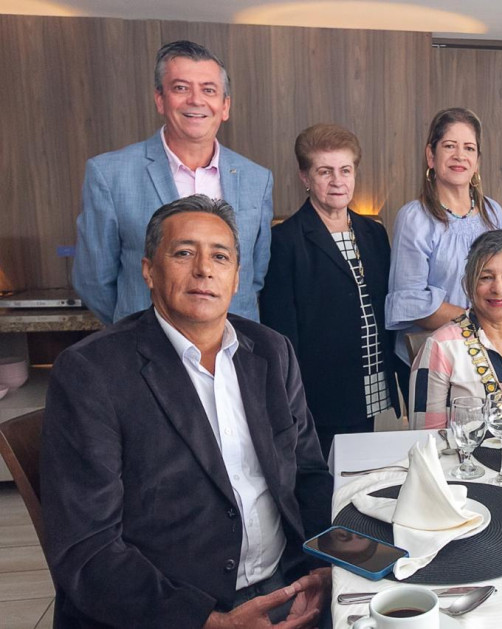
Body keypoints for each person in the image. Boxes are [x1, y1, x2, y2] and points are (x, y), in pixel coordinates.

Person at [43, 196, 332, 628]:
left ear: (236, 278)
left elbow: (308, 475)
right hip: (174, 612)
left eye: (220, 256)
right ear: (148, 271)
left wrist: (326, 569)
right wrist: (211, 622)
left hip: (286, 587)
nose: (204, 269)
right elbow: (88, 549)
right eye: (183, 253)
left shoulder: (272, 352)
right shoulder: (92, 372)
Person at [73, 40, 273, 324]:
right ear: (160, 99)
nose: (196, 100)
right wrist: (136, 334)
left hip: (232, 351)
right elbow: (93, 280)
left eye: (208, 90)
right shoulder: (109, 174)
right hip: (143, 353)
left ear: (225, 106)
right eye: (181, 88)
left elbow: (253, 276)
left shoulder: (258, 178)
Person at [260, 124, 398, 458]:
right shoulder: (285, 241)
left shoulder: (373, 233)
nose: (337, 181)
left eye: (345, 170)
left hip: (370, 380)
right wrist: (293, 400)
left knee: (364, 475)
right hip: (319, 394)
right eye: (325, 171)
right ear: (305, 177)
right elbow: (282, 334)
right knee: (326, 485)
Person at [387, 107, 502, 403]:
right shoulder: (414, 217)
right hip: (434, 356)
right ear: (431, 156)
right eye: (449, 146)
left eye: (469, 148)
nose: (459, 156)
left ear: (477, 161)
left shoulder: (493, 213)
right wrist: (481, 319)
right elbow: (412, 302)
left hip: (485, 355)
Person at [409, 230, 502, 429]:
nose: (498, 288)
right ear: (470, 285)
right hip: (463, 460)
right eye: (486, 277)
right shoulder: (440, 347)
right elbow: (427, 438)